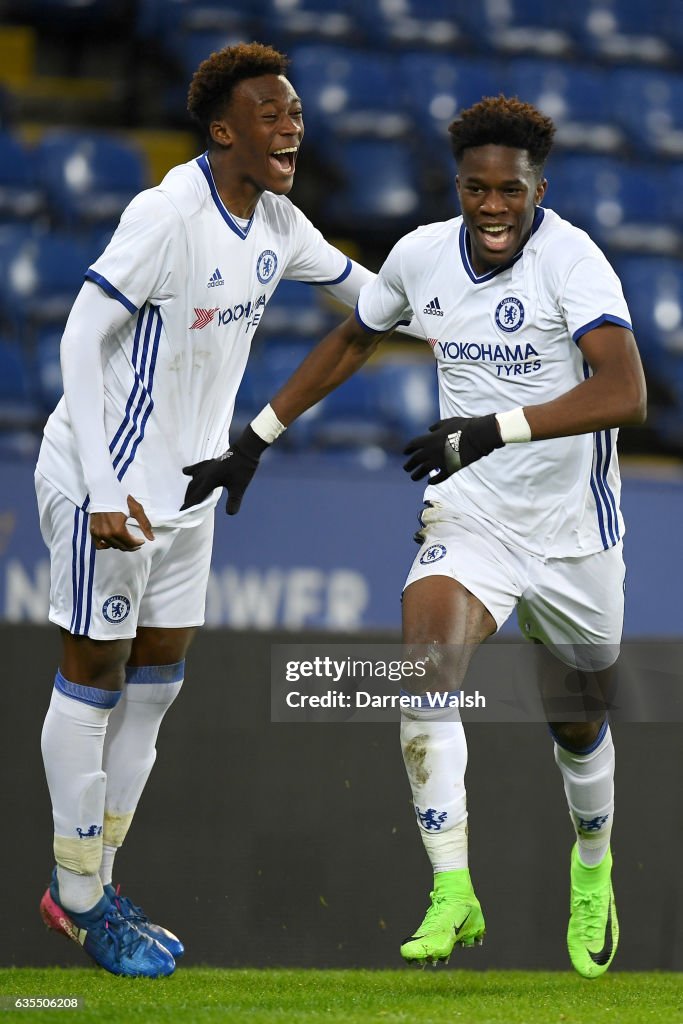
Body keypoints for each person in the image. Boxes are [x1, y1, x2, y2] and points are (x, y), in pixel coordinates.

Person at [213, 96, 647, 977]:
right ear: (458, 188)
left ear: (538, 188)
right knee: (426, 671)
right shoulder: (420, 255)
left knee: (577, 721)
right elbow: (352, 337)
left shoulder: (573, 261)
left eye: (509, 191)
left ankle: (592, 865)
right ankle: (453, 891)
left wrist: (492, 428)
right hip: (473, 516)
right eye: (475, 189)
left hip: (573, 534)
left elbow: (624, 392)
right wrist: (254, 436)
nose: (492, 207)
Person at [35, 41, 414, 978]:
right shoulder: (166, 213)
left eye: (293, 111)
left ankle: (98, 886)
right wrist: (96, 488)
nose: (291, 124)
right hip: (110, 480)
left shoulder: (278, 221)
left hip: (190, 492)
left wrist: (464, 309)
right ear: (222, 130)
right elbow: (84, 331)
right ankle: (75, 893)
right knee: (95, 675)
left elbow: (372, 299)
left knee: (155, 688)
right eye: (271, 113)